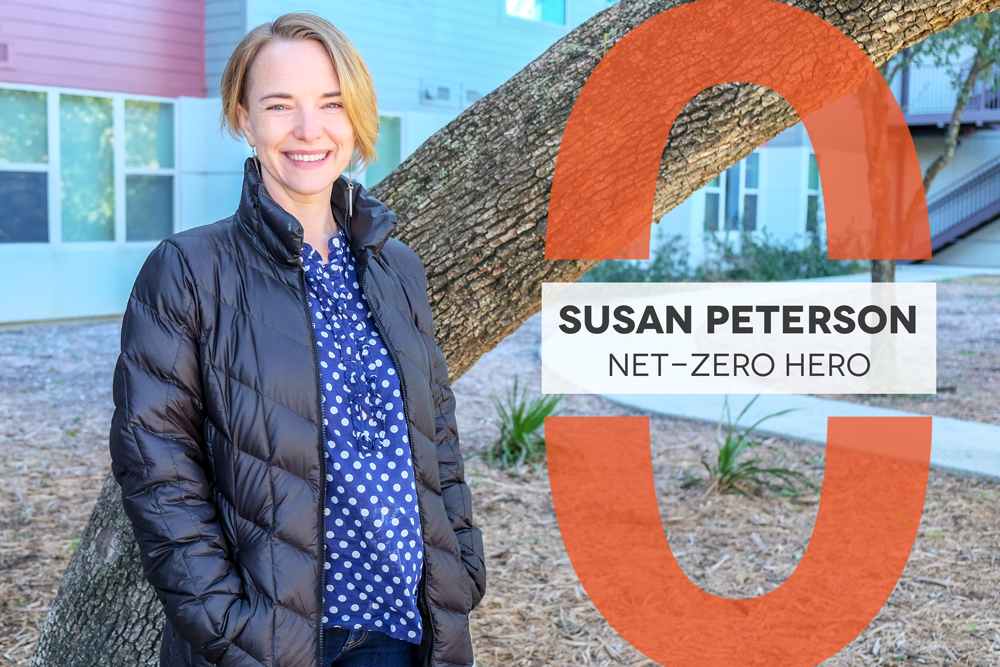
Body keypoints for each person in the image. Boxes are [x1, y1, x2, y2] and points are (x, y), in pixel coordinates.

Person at [108, 13, 485, 667]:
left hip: (406, 626)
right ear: (244, 119)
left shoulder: (397, 268)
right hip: (271, 643)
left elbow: (437, 432)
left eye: (330, 105)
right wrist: (226, 623)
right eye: (280, 105)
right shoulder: (190, 271)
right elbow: (156, 472)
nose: (309, 130)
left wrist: (461, 563)